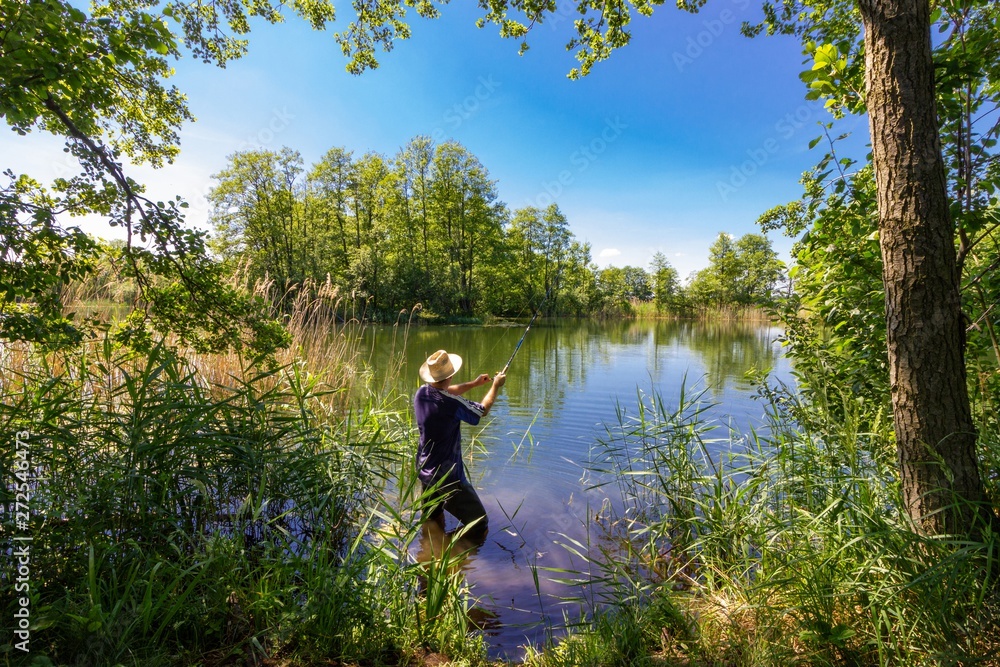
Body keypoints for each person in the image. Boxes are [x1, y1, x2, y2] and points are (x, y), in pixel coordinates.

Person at [414, 349, 506, 539]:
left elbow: (445, 392)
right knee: (479, 524)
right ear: (451, 374)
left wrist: (474, 384)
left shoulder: (421, 393)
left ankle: (432, 556)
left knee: (432, 518)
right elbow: (481, 411)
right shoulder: (452, 404)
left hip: (425, 470)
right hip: (448, 477)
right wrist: (496, 386)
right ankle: (453, 553)